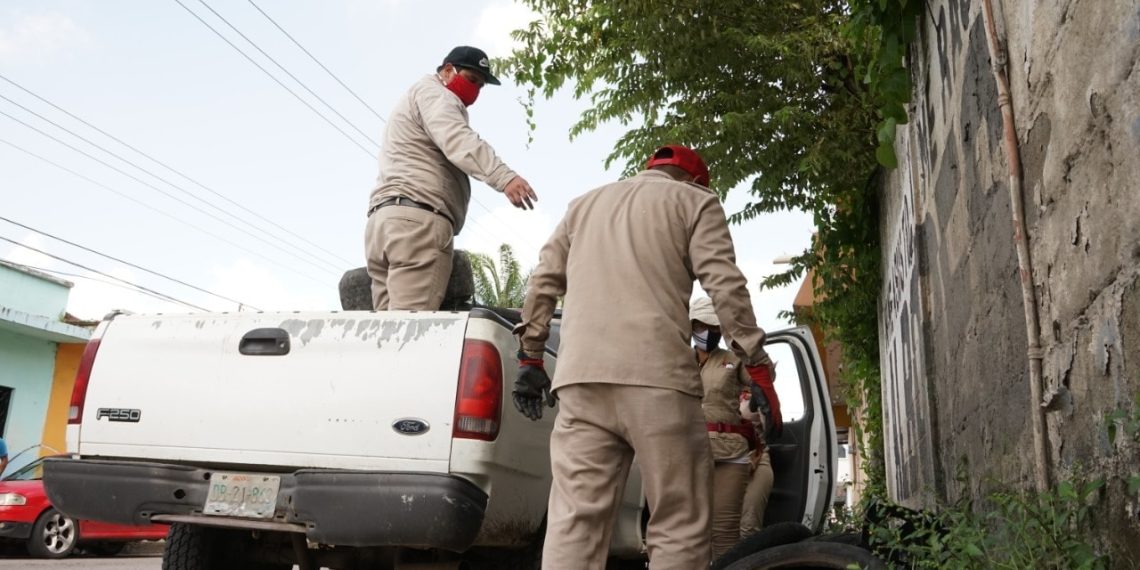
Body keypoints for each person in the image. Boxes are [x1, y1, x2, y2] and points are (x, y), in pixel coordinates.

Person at [512, 145, 783, 570]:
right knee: (679, 521)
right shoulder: (694, 201)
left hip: (581, 382)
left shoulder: (582, 206)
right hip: (659, 381)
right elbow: (725, 287)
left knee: (575, 524)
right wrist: (758, 365)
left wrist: (530, 357)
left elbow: (543, 280)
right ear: (695, 180)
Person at [364, 45, 538, 311]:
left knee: (387, 330)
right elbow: (458, 139)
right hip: (417, 223)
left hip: (383, 222)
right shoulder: (436, 95)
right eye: (471, 79)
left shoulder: (415, 97)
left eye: (480, 86)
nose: (475, 90)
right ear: (447, 71)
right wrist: (504, 177)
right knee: (409, 330)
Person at [689, 297, 781, 559]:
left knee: (726, 533)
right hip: (688, 452)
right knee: (688, 531)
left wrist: (742, 341)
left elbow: (765, 375)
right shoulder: (678, 359)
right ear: (691, 326)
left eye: (715, 327)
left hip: (730, 452)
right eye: (703, 326)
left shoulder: (733, 359)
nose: (709, 332)